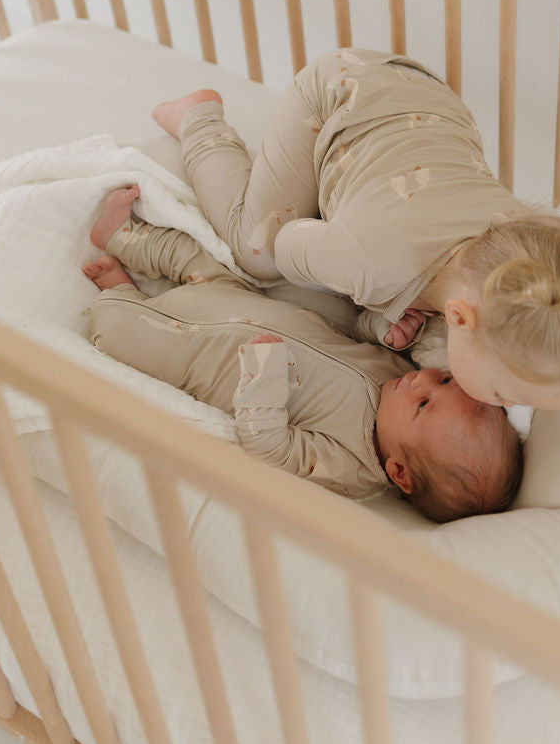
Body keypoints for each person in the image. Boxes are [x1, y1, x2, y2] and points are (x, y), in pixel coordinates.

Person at [148, 48, 560, 418]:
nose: (508, 408)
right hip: (337, 95)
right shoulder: (365, 262)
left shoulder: (522, 241)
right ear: (460, 318)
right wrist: (367, 301)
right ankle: (199, 117)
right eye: (503, 396)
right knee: (255, 251)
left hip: (430, 98)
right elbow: (292, 247)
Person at [83, 190, 523, 523]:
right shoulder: (398, 375)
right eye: (444, 380)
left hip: (197, 352)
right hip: (244, 301)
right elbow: (351, 331)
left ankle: (120, 293)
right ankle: (121, 235)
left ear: (399, 473)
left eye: (424, 405)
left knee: (116, 331)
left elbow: (270, 446)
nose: (423, 382)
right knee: (197, 261)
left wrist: (265, 376)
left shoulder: (350, 466)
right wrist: (382, 332)